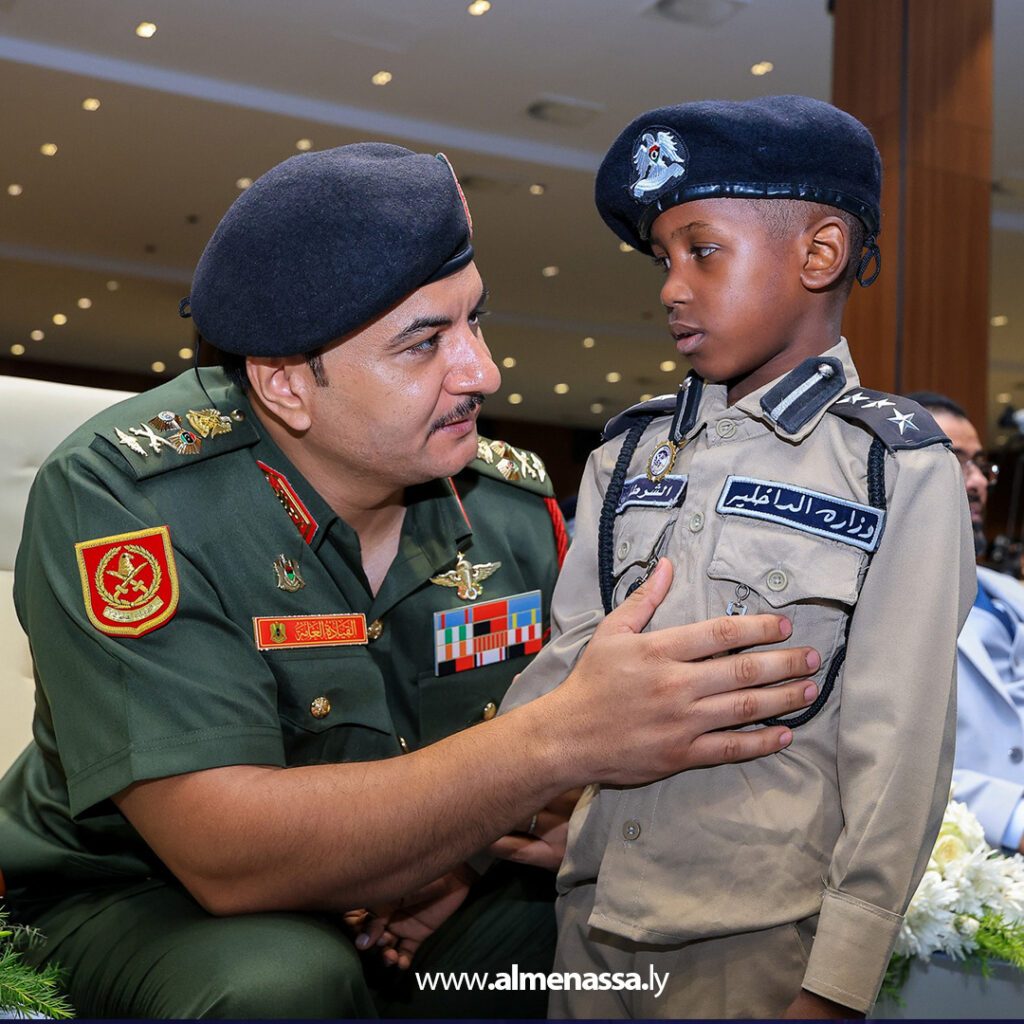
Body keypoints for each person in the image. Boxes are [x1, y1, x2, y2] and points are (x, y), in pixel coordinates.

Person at [0, 143, 824, 1019]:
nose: (483, 372)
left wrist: (461, 858)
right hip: (137, 898)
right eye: (425, 342)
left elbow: (534, 769)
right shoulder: (134, 499)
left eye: (475, 323)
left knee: (641, 943)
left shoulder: (505, 503)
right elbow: (226, 855)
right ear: (285, 385)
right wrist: (559, 741)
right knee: (279, 986)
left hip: (430, 888)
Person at [501, 96, 976, 1019]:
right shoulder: (627, 456)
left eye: (702, 250)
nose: (672, 286)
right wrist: (474, 832)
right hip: (589, 924)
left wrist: (838, 981)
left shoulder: (890, 466)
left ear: (819, 253)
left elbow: (902, 745)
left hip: (757, 947)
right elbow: (566, 672)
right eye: (662, 259)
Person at [906, 391, 1024, 854]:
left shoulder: (1008, 592)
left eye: (981, 465)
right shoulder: (862, 601)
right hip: (963, 857)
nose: (977, 482)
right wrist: (1012, 815)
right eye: (956, 462)